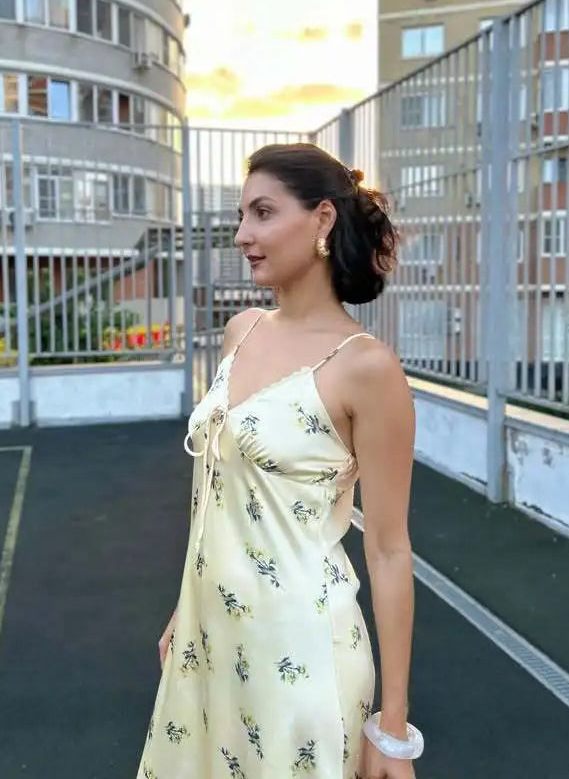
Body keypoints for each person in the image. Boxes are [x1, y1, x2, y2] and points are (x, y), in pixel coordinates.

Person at [137, 143, 420, 779]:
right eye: (241, 216)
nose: (243, 235)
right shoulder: (242, 331)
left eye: (263, 213)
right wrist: (189, 606)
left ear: (322, 220)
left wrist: (392, 729)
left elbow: (389, 550)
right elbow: (214, 490)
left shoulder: (367, 368)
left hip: (302, 659)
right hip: (209, 643)